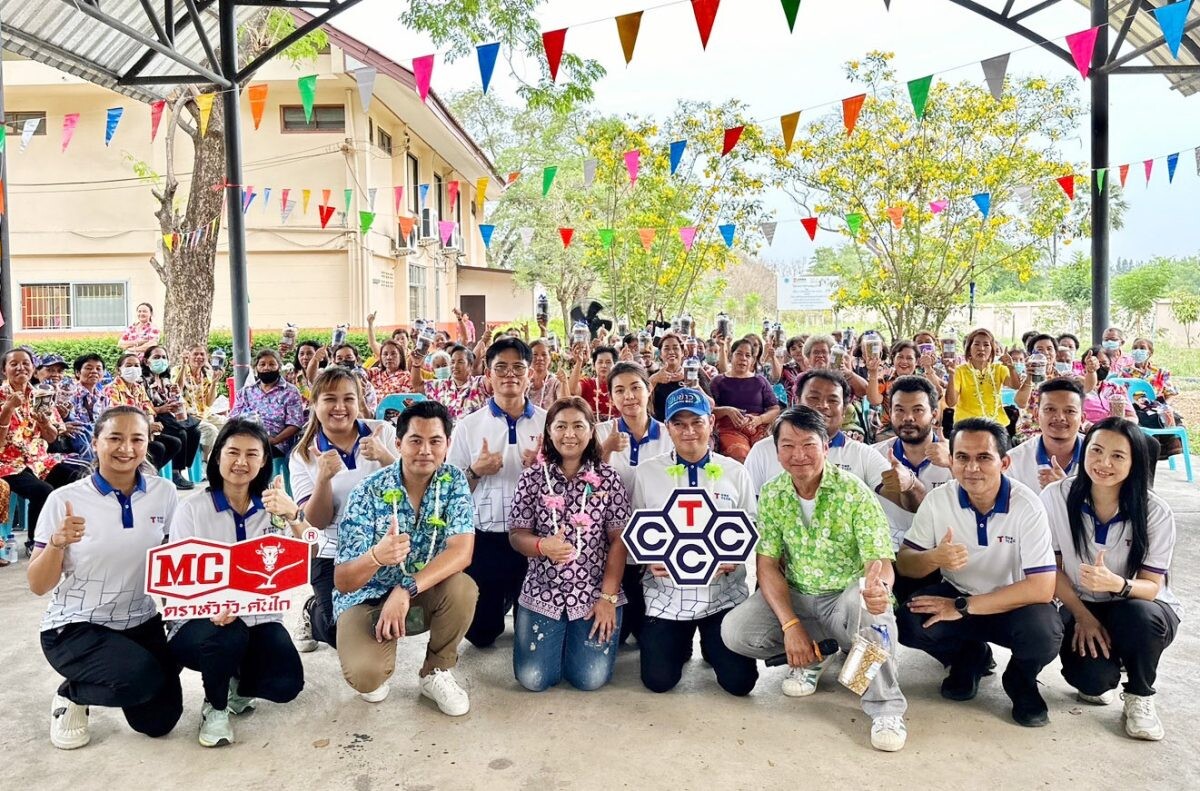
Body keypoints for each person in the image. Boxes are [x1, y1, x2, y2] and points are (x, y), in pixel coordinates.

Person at [721, 406, 907, 752]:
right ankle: (819, 651)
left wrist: (879, 586)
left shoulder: (853, 492)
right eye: (787, 446)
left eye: (808, 444)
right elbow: (766, 565)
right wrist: (791, 625)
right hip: (800, 596)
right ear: (776, 452)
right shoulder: (775, 493)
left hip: (845, 599)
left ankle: (886, 707)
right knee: (736, 632)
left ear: (826, 446)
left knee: (869, 607)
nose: (799, 456)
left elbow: (878, 557)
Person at [28, 406, 182, 749]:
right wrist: (57, 543)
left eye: (136, 439)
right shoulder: (64, 499)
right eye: (114, 438)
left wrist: (180, 610)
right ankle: (72, 695)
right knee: (139, 680)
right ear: (95, 443)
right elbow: (38, 585)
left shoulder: (164, 492)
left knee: (159, 722)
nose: (126, 448)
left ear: (147, 443)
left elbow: (172, 563)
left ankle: (125, 672)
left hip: (139, 618)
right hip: (75, 626)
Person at [897, 418, 1062, 728]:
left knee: (1044, 633)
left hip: (1013, 603)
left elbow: (1042, 588)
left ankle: (1021, 679)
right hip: (959, 592)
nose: (972, 468)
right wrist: (934, 557)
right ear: (952, 460)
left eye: (984, 457)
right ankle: (966, 657)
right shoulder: (939, 500)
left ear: (1004, 461)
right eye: (962, 457)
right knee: (909, 621)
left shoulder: (1027, 506)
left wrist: (960, 607)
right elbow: (905, 562)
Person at [167, 419, 306, 747]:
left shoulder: (272, 508)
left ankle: (237, 687)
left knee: (287, 684)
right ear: (217, 457)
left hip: (258, 617)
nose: (241, 462)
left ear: (263, 462)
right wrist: (215, 603)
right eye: (233, 452)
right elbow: (179, 579)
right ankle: (214, 707)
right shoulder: (193, 509)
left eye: (251, 454)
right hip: (201, 622)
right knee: (226, 635)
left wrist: (294, 515)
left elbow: (312, 550)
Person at [333, 400, 477, 715]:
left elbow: (462, 551)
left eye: (435, 441)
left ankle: (435, 671)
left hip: (418, 594)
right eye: (415, 440)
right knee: (367, 678)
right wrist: (375, 557)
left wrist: (406, 589)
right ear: (398, 443)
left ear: (448, 445)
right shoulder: (368, 492)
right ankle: (374, 651)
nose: (425, 450)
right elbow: (343, 581)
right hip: (367, 599)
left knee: (463, 587)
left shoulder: (453, 482)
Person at [1040, 418, 1179, 740]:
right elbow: (1051, 569)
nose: (1104, 463)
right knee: (1091, 683)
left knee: (1139, 616)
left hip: (1137, 604)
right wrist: (1082, 615)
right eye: (1097, 451)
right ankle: (1109, 667)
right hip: (1082, 604)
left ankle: (1140, 695)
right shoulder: (1056, 496)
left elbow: (1151, 586)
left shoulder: (1155, 511)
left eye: (1118, 456)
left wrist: (1117, 584)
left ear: (1135, 462)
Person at [632, 388, 758, 696]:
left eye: (697, 422)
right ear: (667, 427)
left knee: (740, 684)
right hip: (667, 597)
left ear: (711, 422)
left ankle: (713, 643)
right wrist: (649, 558)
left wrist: (737, 557)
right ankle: (681, 640)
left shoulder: (735, 472)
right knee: (658, 681)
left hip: (723, 595)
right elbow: (637, 529)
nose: (689, 431)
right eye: (679, 423)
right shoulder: (648, 473)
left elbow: (751, 523)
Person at [509, 397, 631, 692]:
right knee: (533, 680)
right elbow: (516, 535)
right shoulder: (532, 478)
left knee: (589, 679)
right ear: (549, 431)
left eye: (578, 426)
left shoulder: (608, 479)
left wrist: (608, 599)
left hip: (594, 593)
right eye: (560, 426)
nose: (569, 434)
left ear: (591, 431)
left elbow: (619, 540)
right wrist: (541, 547)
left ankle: (571, 642)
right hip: (543, 590)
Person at [289, 367, 397, 653]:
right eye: (329, 399)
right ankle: (314, 611)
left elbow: (414, 487)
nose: (340, 407)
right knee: (343, 633)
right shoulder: (303, 455)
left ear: (359, 401)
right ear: (314, 404)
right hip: (331, 553)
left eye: (348, 399)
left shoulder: (382, 432)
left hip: (384, 547)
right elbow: (316, 522)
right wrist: (323, 478)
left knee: (399, 614)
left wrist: (386, 457)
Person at [448, 337, 546, 647]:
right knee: (481, 635)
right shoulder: (468, 426)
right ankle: (498, 600)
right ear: (488, 375)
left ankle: (515, 599)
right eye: (500, 367)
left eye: (519, 367)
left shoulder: (549, 423)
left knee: (529, 636)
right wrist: (476, 471)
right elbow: (451, 491)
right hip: (485, 539)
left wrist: (543, 469)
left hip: (534, 539)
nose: (510, 375)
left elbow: (571, 485)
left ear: (530, 374)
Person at [594, 362, 672, 645]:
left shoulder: (669, 434)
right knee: (618, 633)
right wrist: (606, 450)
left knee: (644, 634)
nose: (629, 396)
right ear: (611, 397)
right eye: (620, 390)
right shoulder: (600, 433)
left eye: (635, 387)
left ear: (649, 389)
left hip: (655, 542)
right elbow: (584, 484)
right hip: (610, 542)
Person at [744, 371, 892, 507]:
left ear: (845, 408)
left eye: (833, 400)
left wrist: (908, 484)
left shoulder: (862, 455)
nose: (823, 405)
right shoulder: (763, 451)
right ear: (797, 401)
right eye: (814, 398)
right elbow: (751, 509)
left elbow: (903, 498)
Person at [870, 376, 953, 597]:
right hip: (887, 557)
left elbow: (975, 503)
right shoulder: (874, 456)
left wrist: (953, 464)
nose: (908, 418)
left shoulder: (956, 457)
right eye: (899, 410)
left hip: (938, 558)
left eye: (918, 410)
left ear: (934, 414)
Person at [2, 348, 87, 552]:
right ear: (4, 371)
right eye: (14, 364)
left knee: (78, 476)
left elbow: (51, 438)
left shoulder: (41, 396)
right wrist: (7, 409)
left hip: (39, 460)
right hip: (7, 463)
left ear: (33, 368)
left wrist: (43, 424)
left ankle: (70, 532)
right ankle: (36, 541)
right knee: (43, 490)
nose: (20, 368)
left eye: (26, 363)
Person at [1006, 379, 1084, 492]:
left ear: (1082, 418)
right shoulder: (1014, 461)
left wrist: (1064, 489)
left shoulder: (1100, 458)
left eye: (1070, 411)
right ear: (1036, 414)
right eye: (1050, 409)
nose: (1060, 417)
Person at [710, 339, 781, 463]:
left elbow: (774, 409)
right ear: (731, 356)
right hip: (729, 429)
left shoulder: (760, 381)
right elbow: (708, 410)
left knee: (768, 454)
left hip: (757, 427)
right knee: (740, 455)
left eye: (748, 355)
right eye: (739, 354)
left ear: (753, 360)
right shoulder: (718, 381)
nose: (743, 358)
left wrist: (760, 420)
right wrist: (727, 410)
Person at [142, 345, 202, 491]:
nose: (160, 360)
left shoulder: (165, 379)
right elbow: (144, 406)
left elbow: (175, 397)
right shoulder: (143, 381)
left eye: (163, 357)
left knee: (195, 432)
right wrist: (159, 409)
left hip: (169, 417)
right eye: (156, 357)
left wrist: (174, 397)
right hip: (154, 418)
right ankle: (175, 473)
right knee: (180, 432)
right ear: (146, 361)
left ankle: (183, 469)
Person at [230, 349, 305, 459]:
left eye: (272, 364)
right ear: (256, 368)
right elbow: (233, 418)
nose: (267, 367)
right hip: (245, 437)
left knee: (253, 453)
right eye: (262, 364)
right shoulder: (246, 392)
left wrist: (275, 440)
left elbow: (295, 424)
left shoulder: (290, 392)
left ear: (278, 367)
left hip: (275, 443)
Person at [869, 340, 945, 441]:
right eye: (900, 357)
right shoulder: (885, 378)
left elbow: (938, 394)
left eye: (909, 358)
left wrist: (928, 367)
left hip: (921, 428)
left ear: (917, 361)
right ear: (893, 359)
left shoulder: (923, 378)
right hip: (890, 430)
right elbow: (875, 400)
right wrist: (873, 373)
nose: (904, 361)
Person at [945, 328, 1019, 426]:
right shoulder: (959, 370)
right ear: (969, 348)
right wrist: (951, 375)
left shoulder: (999, 368)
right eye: (976, 344)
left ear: (992, 349)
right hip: (967, 427)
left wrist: (1011, 368)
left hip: (996, 426)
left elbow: (1016, 386)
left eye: (986, 345)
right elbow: (951, 403)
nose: (981, 348)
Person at [174, 344, 227, 465]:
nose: (199, 357)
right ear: (189, 356)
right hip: (188, 416)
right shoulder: (177, 370)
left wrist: (214, 383)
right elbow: (177, 389)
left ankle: (219, 460)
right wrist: (183, 366)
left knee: (229, 425)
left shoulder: (207, 374)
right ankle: (205, 464)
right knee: (211, 430)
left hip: (205, 414)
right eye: (195, 354)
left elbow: (209, 402)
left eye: (202, 354)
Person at [649, 333, 711, 421]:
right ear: (660, 355)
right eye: (666, 349)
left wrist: (696, 386)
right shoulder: (653, 376)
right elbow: (642, 403)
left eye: (675, 348)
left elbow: (711, 406)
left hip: (693, 424)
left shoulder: (694, 371)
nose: (671, 352)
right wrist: (654, 380)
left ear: (682, 352)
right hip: (663, 427)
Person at [426, 344, 489, 421]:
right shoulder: (441, 385)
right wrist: (416, 364)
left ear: (470, 365)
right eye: (452, 362)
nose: (455, 366)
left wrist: (488, 363)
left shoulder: (480, 384)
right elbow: (417, 385)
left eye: (460, 362)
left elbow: (493, 378)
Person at [569, 345, 619, 421]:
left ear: (615, 365)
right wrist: (579, 362)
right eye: (600, 362)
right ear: (594, 365)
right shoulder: (587, 383)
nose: (604, 365)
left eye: (608, 362)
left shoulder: (620, 386)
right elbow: (572, 390)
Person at [527, 338, 563, 411]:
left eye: (544, 355)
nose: (540, 358)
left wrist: (564, 383)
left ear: (550, 359)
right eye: (535, 354)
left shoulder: (556, 381)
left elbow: (564, 407)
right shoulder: (524, 381)